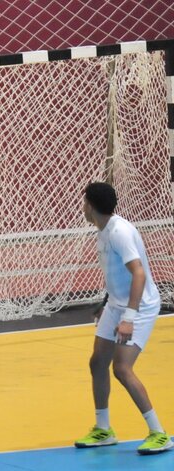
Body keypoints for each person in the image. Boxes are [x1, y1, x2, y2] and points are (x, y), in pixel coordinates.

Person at [74, 182, 172, 454]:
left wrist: (128, 317)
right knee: (97, 362)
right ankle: (104, 429)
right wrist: (106, 303)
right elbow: (118, 273)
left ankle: (159, 433)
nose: (83, 207)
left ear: (90, 206)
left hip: (139, 306)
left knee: (121, 369)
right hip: (117, 303)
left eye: (84, 202)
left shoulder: (119, 233)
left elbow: (138, 274)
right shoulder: (103, 229)